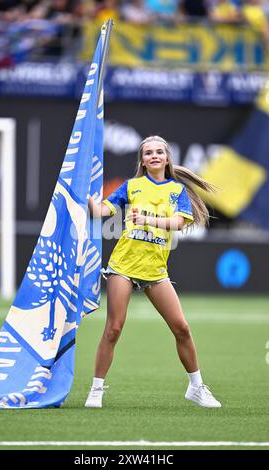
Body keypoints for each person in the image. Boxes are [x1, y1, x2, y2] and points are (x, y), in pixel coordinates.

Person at [86, 135, 222, 409]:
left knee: (182, 328)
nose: (154, 156)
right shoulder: (132, 186)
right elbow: (102, 210)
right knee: (113, 328)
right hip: (123, 265)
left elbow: (176, 223)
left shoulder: (176, 191)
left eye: (160, 152)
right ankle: (96, 390)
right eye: (149, 153)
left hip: (156, 270)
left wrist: (146, 218)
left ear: (167, 158)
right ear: (143, 161)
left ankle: (196, 387)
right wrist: (89, 202)